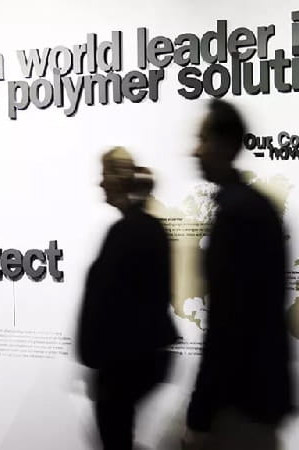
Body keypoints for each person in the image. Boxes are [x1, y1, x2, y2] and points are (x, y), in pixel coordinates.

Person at [183, 99, 294, 449]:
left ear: (226, 145)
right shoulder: (258, 207)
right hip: (260, 393)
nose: (195, 151)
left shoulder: (235, 215)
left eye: (203, 139)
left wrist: (200, 414)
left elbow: (227, 323)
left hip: (240, 401)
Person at [77, 147, 178, 450]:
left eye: (105, 174)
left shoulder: (126, 232)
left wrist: (96, 359)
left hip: (122, 365)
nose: (100, 183)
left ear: (118, 179)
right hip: (134, 360)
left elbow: (110, 303)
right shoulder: (150, 228)